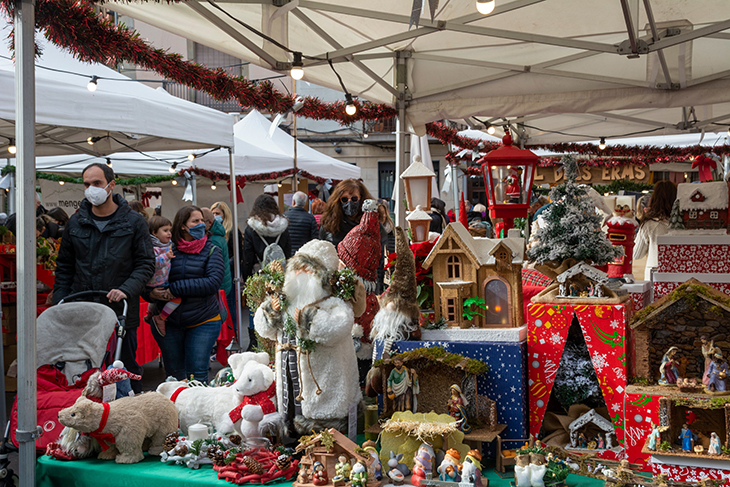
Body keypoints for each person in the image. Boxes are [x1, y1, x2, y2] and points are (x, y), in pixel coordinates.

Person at [53, 163, 155, 392]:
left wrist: (126, 289)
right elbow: (64, 267)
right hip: (83, 311)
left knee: (123, 370)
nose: (91, 189)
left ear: (111, 185)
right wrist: (59, 302)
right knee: (83, 374)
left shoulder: (134, 222)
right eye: (87, 184)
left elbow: (146, 264)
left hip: (120, 311)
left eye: (97, 183)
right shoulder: (75, 223)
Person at [253, 240, 361, 434]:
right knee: (290, 413)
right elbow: (262, 328)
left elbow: (338, 328)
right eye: (298, 267)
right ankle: (290, 431)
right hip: (289, 376)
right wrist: (270, 312)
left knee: (319, 430)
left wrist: (310, 319)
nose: (302, 273)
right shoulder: (285, 299)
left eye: (309, 269)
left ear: (324, 276)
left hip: (323, 391)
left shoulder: (332, 303)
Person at [148, 205, 224, 382]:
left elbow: (212, 283)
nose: (201, 225)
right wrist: (151, 294)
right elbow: (150, 277)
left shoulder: (212, 250)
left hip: (204, 319)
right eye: (195, 221)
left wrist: (175, 289)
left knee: (196, 375)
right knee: (174, 377)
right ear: (183, 225)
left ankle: (199, 410)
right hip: (170, 321)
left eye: (202, 221)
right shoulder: (168, 250)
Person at [242, 194, 292, 282]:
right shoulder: (283, 226)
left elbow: (248, 258)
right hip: (280, 275)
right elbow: (288, 253)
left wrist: (247, 279)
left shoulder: (251, 228)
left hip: (259, 276)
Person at [144, 215, 180, 337]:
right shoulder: (152, 247)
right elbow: (152, 264)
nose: (169, 233)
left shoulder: (167, 245)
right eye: (165, 230)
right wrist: (166, 257)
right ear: (154, 233)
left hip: (161, 280)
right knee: (177, 298)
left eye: (170, 230)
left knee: (156, 300)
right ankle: (161, 318)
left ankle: (149, 314)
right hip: (157, 281)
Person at [634, 180, 677, 280]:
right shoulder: (684, 223)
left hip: (654, 275)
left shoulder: (649, 224)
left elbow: (637, 255)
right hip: (678, 274)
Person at [202, 208, 233, 325]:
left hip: (218, 284)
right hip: (223, 280)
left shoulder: (213, 240)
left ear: (209, 223)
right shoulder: (219, 235)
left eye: (201, 220)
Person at [211, 200, 244, 275]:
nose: (215, 216)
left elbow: (237, 254)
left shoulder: (233, 231)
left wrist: (226, 265)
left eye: (217, 213)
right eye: (213, 213)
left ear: (225, 214)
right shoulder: (211, 231)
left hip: (229, 270)